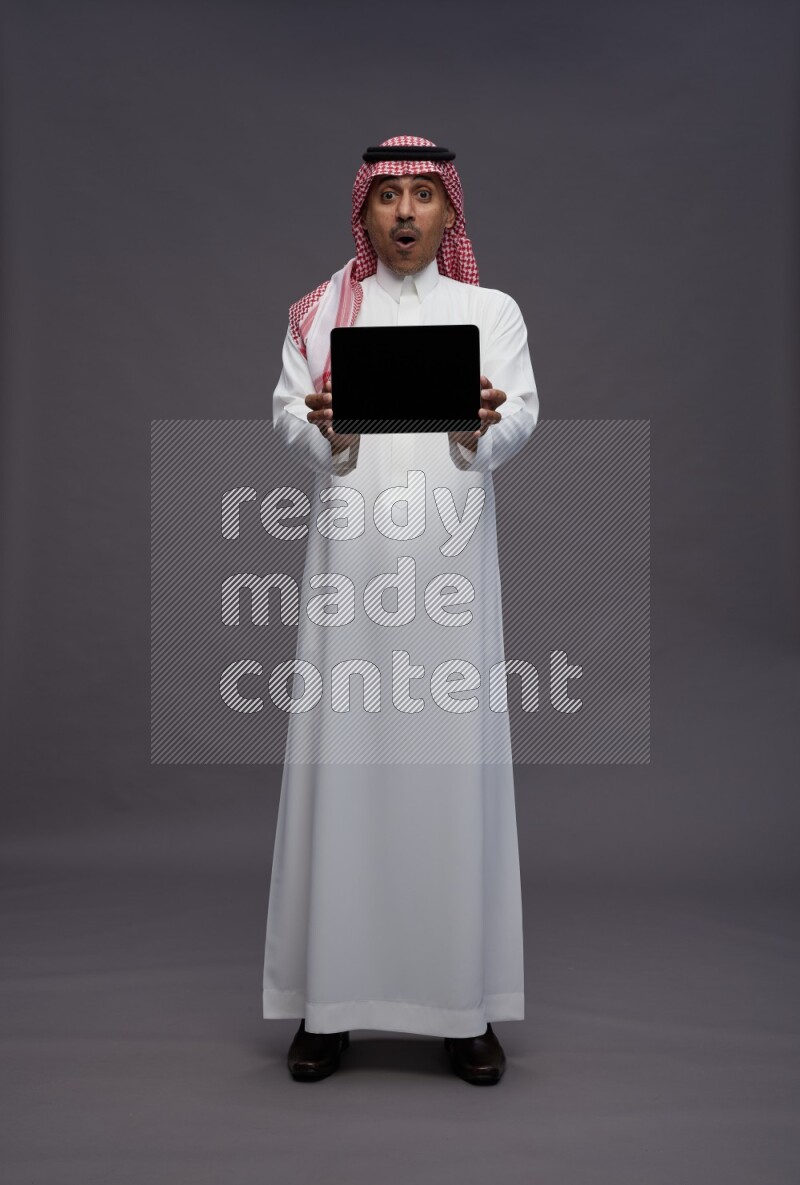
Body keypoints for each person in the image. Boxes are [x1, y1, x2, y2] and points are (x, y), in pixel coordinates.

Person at [262, 135, 540, 1085]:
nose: (408, 213)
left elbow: (524, 411)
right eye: (391, 198)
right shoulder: (320, 312)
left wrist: (480, 425)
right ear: (365, 212)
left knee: (452, 780)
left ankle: (463, 1010)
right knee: (345, 775)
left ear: (451, 214)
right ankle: (328, 1007)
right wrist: (324, 430)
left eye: (425, 196)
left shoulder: (487, 310)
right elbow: (287, 412)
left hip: (452, 587)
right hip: (351, 583)